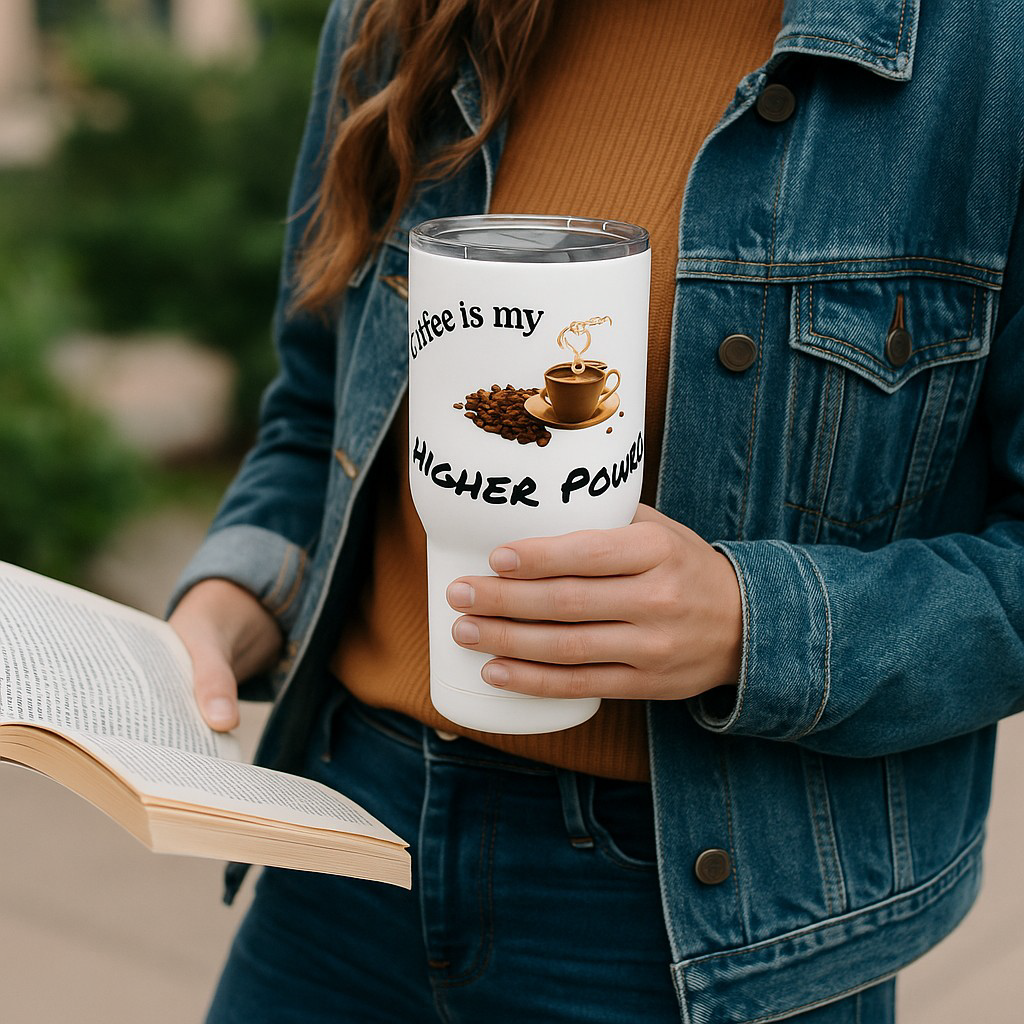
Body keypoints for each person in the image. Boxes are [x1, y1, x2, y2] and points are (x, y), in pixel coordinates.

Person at [168, 0, 1024, 1021]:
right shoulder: (405, 15)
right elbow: (319, 408)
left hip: (700, 922)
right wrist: (238, 592)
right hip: (345, 836)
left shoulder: (988, 48)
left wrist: (755, 622)